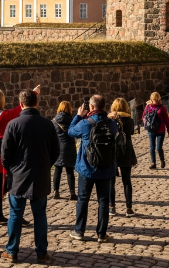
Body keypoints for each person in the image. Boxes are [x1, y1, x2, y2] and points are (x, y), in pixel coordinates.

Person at [0, 89, 59, 263]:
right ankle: (42, 252)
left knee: (15, 215)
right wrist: (45, 165)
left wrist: (12, 168)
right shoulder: (48, 124)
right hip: (40, 175)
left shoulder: (13, 124)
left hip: (18, 176)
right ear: (36, 102)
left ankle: (12, 251)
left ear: (20, 104)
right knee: (40, 215)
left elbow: (5, 155)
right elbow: (56, 151)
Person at [0, 86, 40, 224]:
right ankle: (15, 214)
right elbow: (22, 107)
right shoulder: (6, 115)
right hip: (7, 154)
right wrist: (35, 92)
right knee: (13, 186)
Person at [68, 95, 118, 244]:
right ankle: (101, 233)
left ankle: (79, 231)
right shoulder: (111, 124)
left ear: (91, 107)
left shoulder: (85, 124)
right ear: (103, 106)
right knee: (103, 201)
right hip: (106, 168)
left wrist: (78, 115)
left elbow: (70, 131)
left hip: (86, 168)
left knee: (83, 200)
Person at [107, 98, 137, 217]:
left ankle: (111, 207)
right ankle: (129, 207)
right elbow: (132, 132)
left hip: (113, 150)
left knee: (111, 181)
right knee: (127, 181)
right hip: (126, 149)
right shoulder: (129, 120)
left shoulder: (110, 120)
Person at [52, 101, 77, 201]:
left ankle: (56, 191)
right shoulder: (72, 120)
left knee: (57, 170)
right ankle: (72, 193)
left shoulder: (54, 121)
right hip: (69, 147)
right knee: (70, 171)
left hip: (58, 147)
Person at [143, 92, 169, 169]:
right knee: (152, 147)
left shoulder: (162, 108)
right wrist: (146, 125)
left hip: (160, 130)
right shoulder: (148, 107)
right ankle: (153, 163)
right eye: (154, 99)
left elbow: (166, 119)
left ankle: (162, 160)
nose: (155, 100)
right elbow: (144, 116)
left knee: (158, 147)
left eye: (156, 99)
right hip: (151, 130)